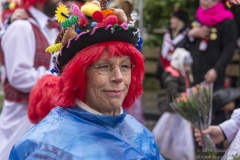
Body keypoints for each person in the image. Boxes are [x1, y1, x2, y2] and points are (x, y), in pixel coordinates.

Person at [9, 1, 164, 159]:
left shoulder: (142, 135)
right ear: (78, 75)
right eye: (104, 66)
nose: (119, 77)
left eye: (125, 66)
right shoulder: (44, 148)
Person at [0, 0, 60, 158]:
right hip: (22, 118)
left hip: (45, 118)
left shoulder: (53, 27)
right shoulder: (22, 27)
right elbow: (19, 76)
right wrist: (59, 77)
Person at [187, 0, 237, 141]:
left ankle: (217, 149)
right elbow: (185, 41)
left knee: (216, 111)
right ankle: (200, 147)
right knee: (197, 113)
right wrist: (192, 33)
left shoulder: (227, 20)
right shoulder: (198, 16)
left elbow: (229, 49)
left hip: (214, 76)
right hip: (195, 73)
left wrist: (216, 69)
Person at [153, 48, 195, 160]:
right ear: (180, 63)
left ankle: (180, 153)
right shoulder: (172, 76)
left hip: (181, 110)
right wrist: (184, 97)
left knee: (181, 133)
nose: (188, 68)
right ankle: (163, 149)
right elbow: (173, 93)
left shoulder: (183, 74)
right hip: (172, 110)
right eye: (186, 65)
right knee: (166, 131)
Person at [156, 9, 190, 87]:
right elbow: (161, 55)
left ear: (181, 21)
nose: (171, 21)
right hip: (165, 72)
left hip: (180, 75)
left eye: (174, 18)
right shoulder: (167, 36)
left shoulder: (187, 37)